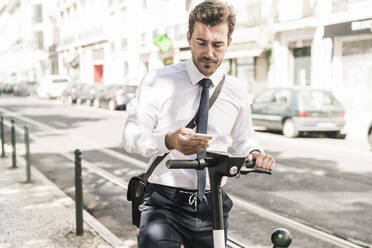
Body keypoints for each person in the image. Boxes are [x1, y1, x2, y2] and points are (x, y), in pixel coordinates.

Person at [122, 1, 275, 247]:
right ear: (189, 37)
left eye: (217, 44)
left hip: (212, 204)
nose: (209, 53)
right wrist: (168, 140)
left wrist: (254, 152)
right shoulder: (157, 81)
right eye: (201, 42)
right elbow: (131, 136)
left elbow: (243, 136)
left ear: (229, 42)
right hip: (164, 203)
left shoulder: (236, 90)